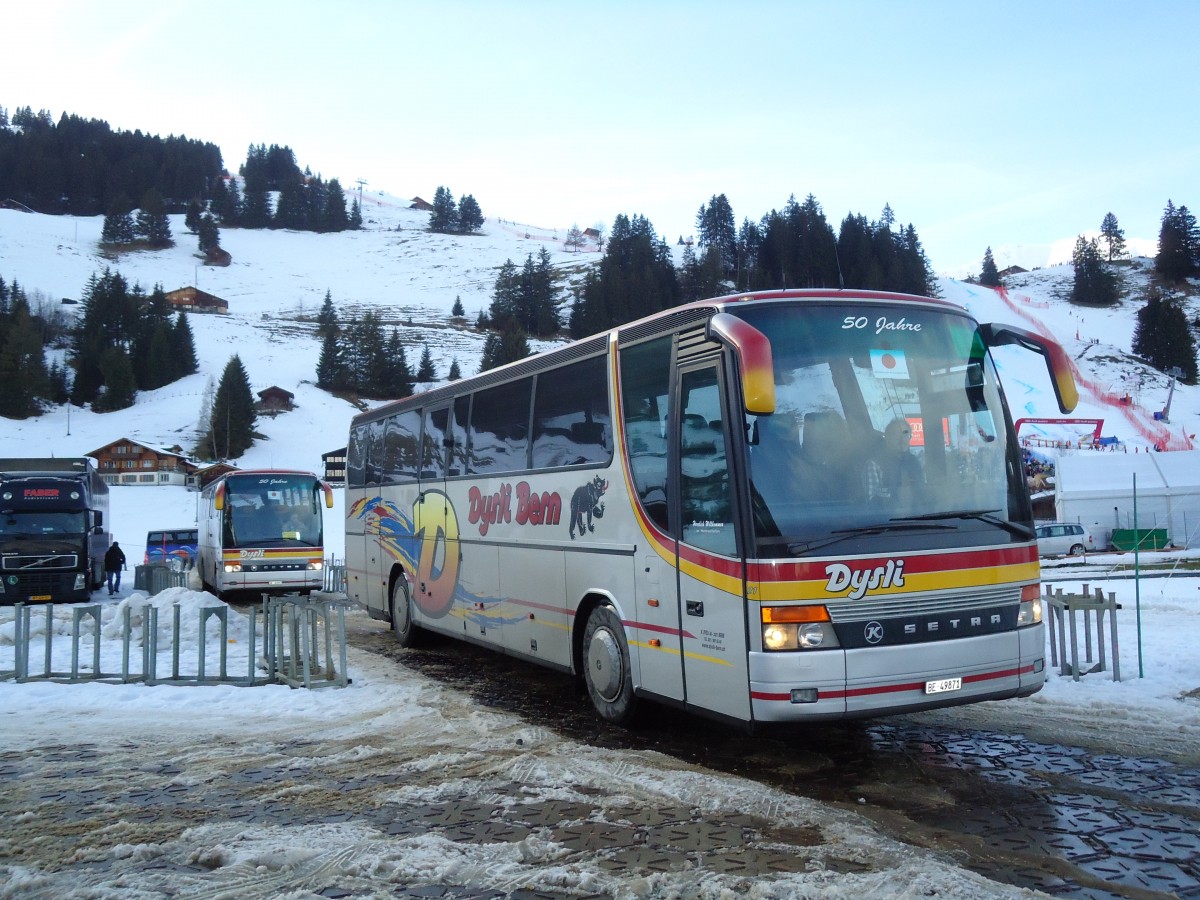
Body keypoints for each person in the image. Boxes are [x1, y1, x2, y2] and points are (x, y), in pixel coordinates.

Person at [863, 418, 922, 510]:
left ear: (910, 437)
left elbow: (922, 494)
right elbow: (871, 505)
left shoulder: (915, 462)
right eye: (896, 435)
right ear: (887, 438)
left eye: (905, 434)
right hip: (886, 521)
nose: (902, 439)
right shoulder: (874, 465)